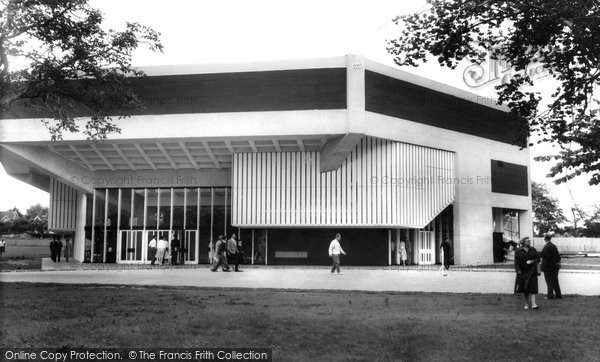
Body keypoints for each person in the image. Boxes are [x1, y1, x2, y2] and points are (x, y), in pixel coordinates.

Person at [514, 237, 541, 310]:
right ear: (523, 242)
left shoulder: (533, 249)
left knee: (533, 288)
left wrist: (532, 261)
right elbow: (516, 262)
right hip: (523, 272)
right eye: (527, 241)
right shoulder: (518, 251)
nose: (529, 242)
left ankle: (534, 304)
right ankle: (526, 303)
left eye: (529, 241)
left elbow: (538, 258)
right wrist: (518, 270)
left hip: (532, 272)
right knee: (525, 289)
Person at [540, 234, 562, 299]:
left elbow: (543, 255)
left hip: (547, 267)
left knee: (549, 282)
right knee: (555, 282)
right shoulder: (554, 246)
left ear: (545, 239)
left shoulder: (546, 247)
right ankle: (558, 295)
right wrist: (557, 263)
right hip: (555, 267)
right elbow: (558, 256)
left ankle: (550, 295)